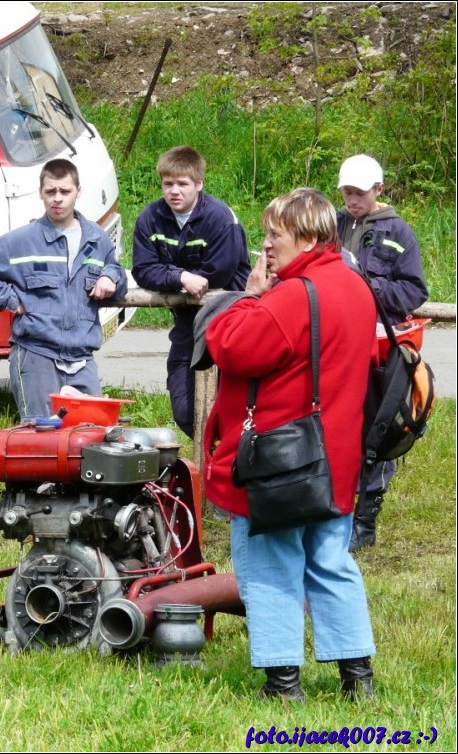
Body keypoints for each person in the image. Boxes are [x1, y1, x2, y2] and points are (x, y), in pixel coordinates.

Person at [201, 188, 377, 701]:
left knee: (269, 566)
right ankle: (357, 677)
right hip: (335, 459)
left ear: (307, 238)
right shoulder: (355, 285)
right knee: (331, 561)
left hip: (280, 462)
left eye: (274, 234)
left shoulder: (292, 296)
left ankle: (282, 683)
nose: (266, 245)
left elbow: (231, 346)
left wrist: (250, 297)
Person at [0, 158, 127, 421]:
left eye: (65, 191)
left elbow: (117, 270)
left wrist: (110, 276)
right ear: (41, 193)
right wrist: (9, 300)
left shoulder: (97, 240)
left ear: (78, 191)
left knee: (91, 433)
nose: (57, 198)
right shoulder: (22, 240)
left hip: (82, 358)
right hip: (37, 354)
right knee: (41, 436)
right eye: (51, 191)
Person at [336, 154, 429, 552]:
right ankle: (337, 514)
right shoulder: (333, 225)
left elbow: (414, 290)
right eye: (347, 193)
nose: (352, 200)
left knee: (376, 431)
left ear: (379, 189)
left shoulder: (399, 232)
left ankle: (365, 520)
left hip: (380, 350)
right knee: (338, 429)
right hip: (337, 345)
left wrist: (365, 285)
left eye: (359, 193)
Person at [131, 146, 250, 438]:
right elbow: (142, 269)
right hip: (187, 326)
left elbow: (219, 274)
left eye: (182, 184)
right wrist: (180, 277)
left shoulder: (220, 219)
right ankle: (212, 451)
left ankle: (227, 455)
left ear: (198, 184)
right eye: (168, 183)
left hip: (229, 324)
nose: (174, 191)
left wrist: (168, 276)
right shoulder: (150, 218)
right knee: (184, 410)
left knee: (231, 410)